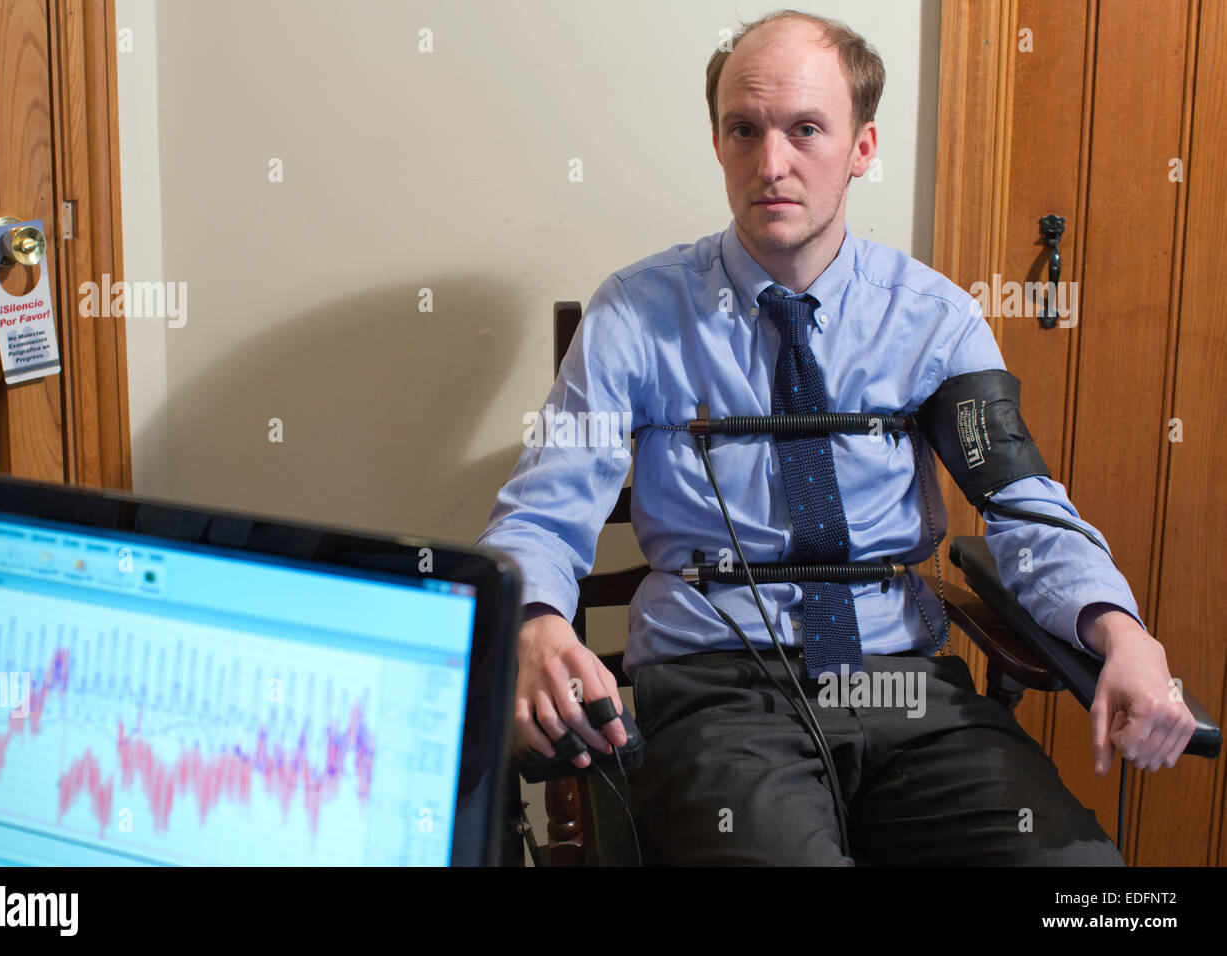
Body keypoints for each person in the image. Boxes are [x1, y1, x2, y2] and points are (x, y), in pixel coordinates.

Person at [476, 8, 1196, 865]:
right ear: (717, 143)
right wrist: (534, 620)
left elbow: (1023, 505)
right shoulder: (636, 313)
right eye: (744, 129)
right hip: (720, 693)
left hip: (904, 687)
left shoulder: (936, 321)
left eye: (806, 129)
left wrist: (1122, 633)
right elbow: (544, 508)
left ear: (862, 147)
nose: (771, 164)